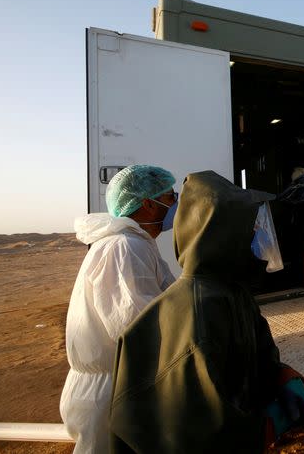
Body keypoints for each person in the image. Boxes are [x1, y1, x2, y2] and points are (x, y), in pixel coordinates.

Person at [109, 170, 304, 452]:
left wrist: (280, 375)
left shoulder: (232, 292)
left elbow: (257, 349)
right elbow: (194, 430)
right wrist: (262, 427)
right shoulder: (196, 313)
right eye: (253, 229)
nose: (260, 237)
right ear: (221, 235)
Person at [59, 165, 178, 453]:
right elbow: (138, 324)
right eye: (170, 196)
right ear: (148, 204)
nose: (176, 203)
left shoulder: (136, 244)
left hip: (119, 385)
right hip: (108, 395)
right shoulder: (124, 247)